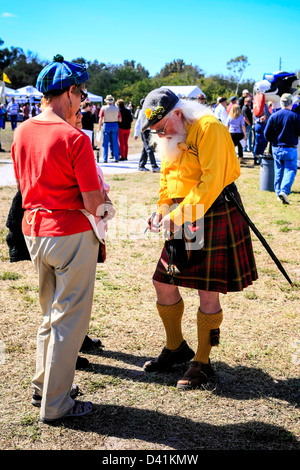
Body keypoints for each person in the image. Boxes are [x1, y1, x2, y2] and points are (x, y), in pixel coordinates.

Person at [11, 54, 108, 424]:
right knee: (69, 320)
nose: (82, 101)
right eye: (81, 94)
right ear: (69, 93)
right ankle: (56, 404)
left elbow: (23, 186)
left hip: (34, 229)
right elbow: (93, 200)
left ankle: (44, 387)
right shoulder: (74, 138)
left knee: (50, 315)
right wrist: (105, 204)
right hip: (69, 233)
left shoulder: (21, 131)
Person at [141, 87, 258, 390]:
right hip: (182, 214)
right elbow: (167, 180)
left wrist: (175, 216)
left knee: (208, 291)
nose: (161, 135)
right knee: (162, 281)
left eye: (162, 127)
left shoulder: (209, 128)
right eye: (155, 130)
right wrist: (161, 210)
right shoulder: (168, 135)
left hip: (214, 210)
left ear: (177, 114)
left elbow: (211, 181)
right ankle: (176, 347)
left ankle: (203, 361)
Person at [264, 93, 300, 204]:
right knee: (290, 169)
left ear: (281, 103)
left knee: (278, 169)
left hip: (276, 147)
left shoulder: (274, 116)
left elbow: (266, 134)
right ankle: (284, 191)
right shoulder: (295, 116)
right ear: (291, 103)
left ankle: (278, 192)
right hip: (290, 147)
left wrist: (274, 141)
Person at [134, 98, 160, 172]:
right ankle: (154, 166)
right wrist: (136, 134)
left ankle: (141, 165)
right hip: (145, 132)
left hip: (149, 131)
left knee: (145, 149)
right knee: (149, 149)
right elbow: (138, 123)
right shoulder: (143, 111)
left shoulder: (149, 111)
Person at [97, 94, 121, 163]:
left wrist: (99, 128)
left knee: (105, 143)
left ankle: (105, 158)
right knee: (115, 142)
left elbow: (100, 118)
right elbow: (120, 119)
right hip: (114, 124)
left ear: (107, 101)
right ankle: (116, 158)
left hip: (106, 124)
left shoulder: (103, 108)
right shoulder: (116, 109)